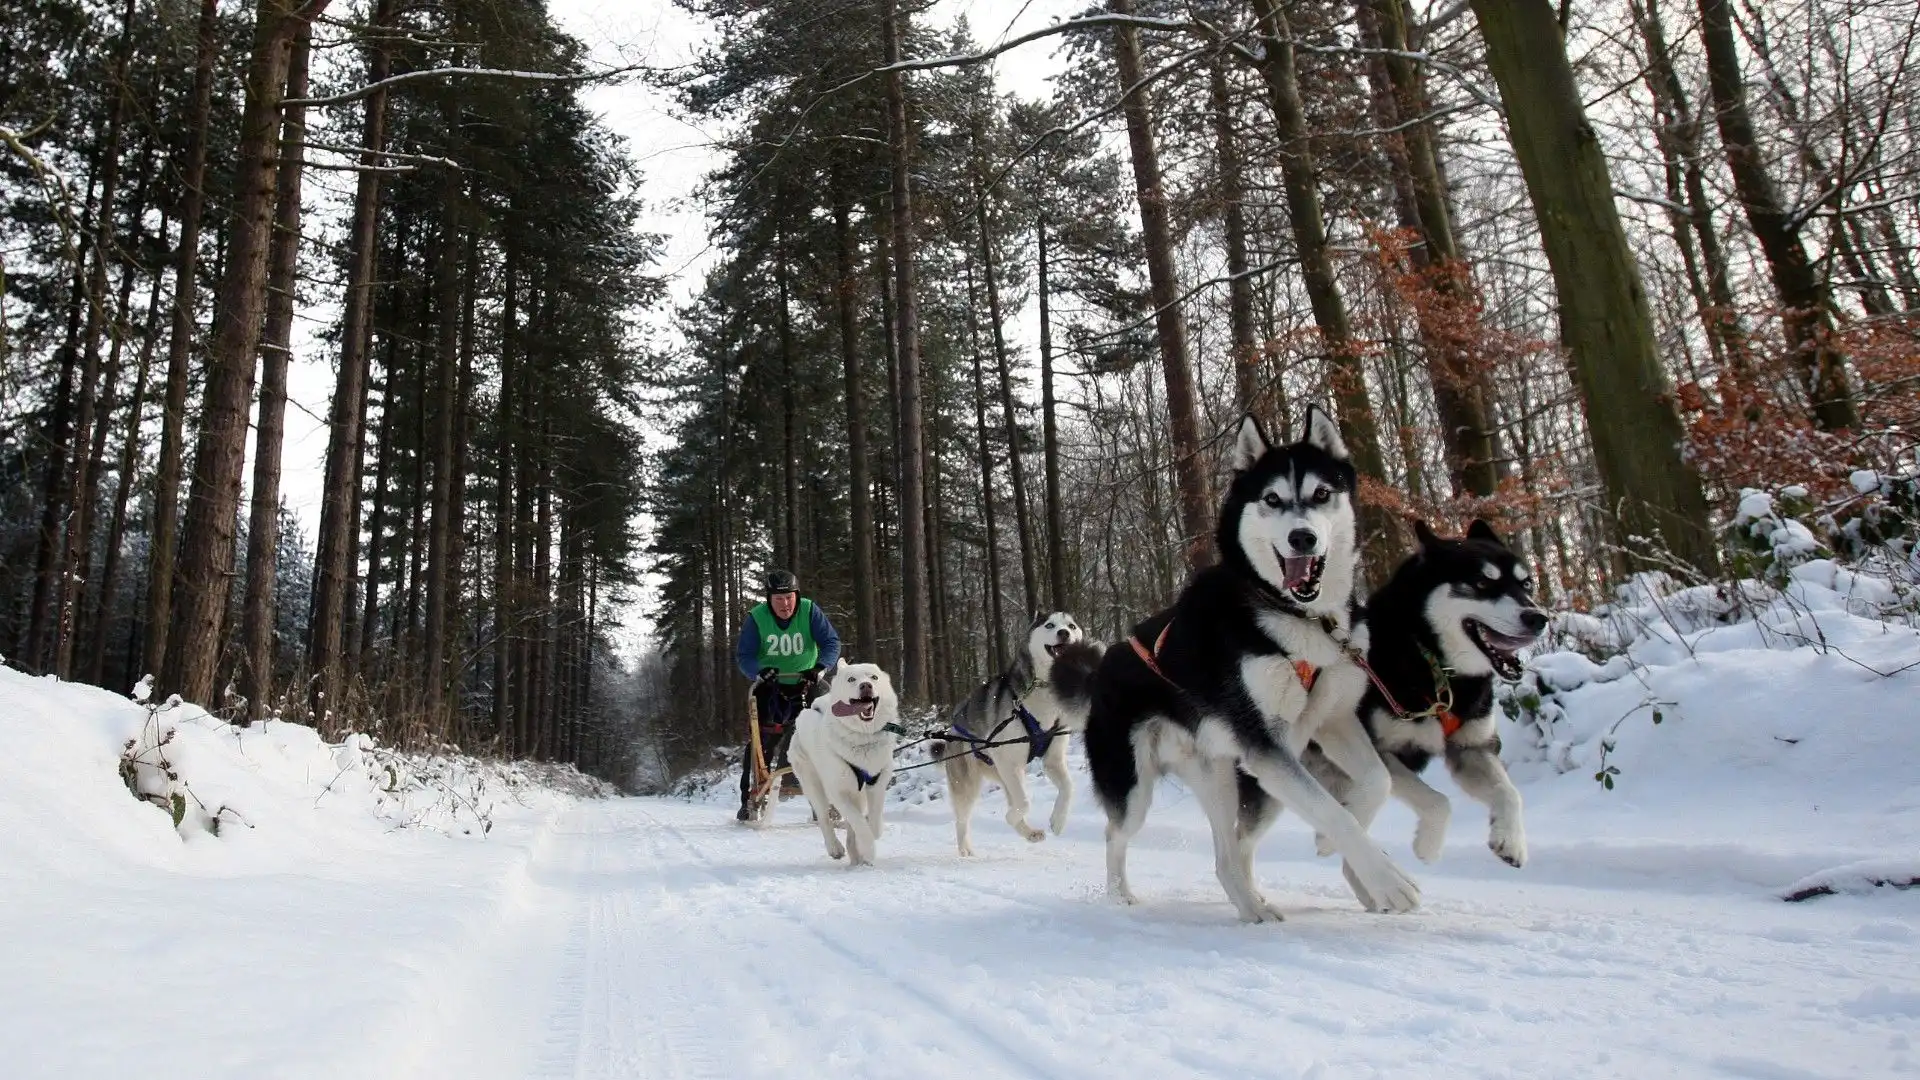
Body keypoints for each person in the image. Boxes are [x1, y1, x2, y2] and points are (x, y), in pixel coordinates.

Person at [735, 569, 842, 820]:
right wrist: (759, 671)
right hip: (770, 686)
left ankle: (826, 799)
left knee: (821, 738)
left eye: (789, 598)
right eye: (779, 599)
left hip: (807, 683)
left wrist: (820, 667)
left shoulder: (809, 610)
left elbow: (831, 642)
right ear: (769, 599)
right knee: (761, 743)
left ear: (797, 596)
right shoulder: (757, 618)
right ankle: (749, 798)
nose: (785, 604)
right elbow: (744, 656)